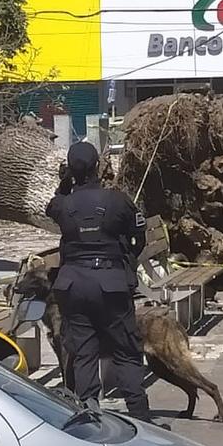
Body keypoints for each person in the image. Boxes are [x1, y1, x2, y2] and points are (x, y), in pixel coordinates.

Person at [45, 142, 158, 425]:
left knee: (84, 352)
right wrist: (127, 262)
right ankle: (140, 416)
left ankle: (90, 413)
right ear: (99, 166)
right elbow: (139, 236)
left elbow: (52, 205)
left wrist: (65, 182)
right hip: (111, 282)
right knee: (126, 352)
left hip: (73, 284)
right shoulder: (118, 200)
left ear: (71, 170)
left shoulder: (63, 205)